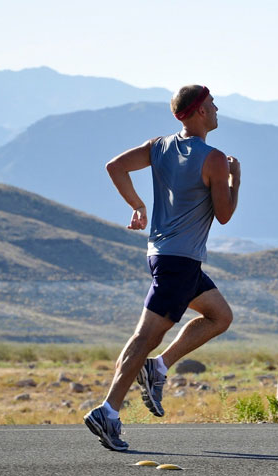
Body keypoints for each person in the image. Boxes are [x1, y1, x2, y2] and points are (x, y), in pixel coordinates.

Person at [84, 84, 241, 451]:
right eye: (214, 105)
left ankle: (159, 367)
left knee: (220, 316)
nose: (218, 110)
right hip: (179, 261)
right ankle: (108, 411)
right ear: (200, 110)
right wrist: (236, 178)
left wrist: (137, 205)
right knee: (144, 337)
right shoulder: (215, 159)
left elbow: (115, 166)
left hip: (165, 256)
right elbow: (224, 214)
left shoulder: (159, 146)